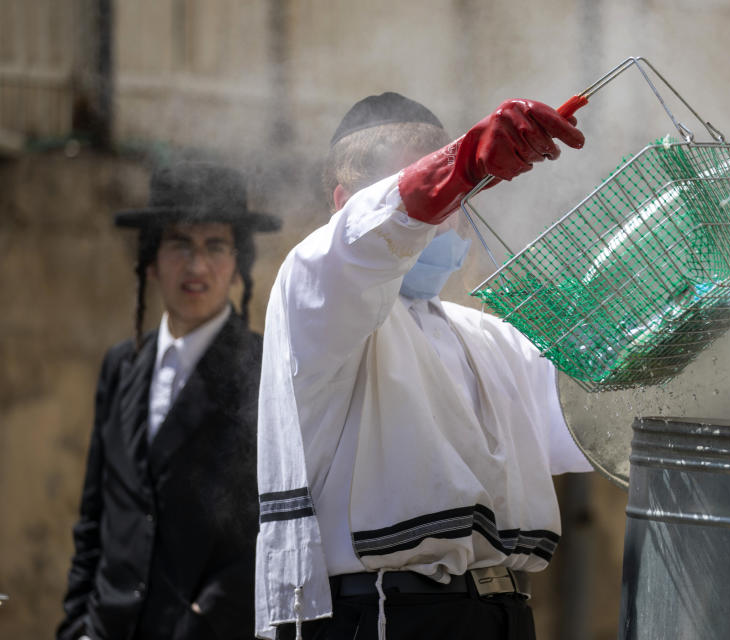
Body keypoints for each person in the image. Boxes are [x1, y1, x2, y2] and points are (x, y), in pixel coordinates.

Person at [255, 92, 593, 640]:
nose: (444, 216)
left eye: (460, 194)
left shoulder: (487, 335)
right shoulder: (312, 294)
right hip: (388, 615)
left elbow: (586, 415)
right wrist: (461, 164)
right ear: (345, 204)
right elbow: (363, 242)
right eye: (431, 187)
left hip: (504, 615)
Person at [57, 161, 282, 640]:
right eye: (180, 243)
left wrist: (208, 616)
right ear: (151, 260)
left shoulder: (265, 371)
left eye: (215, 246)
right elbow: (96, 516)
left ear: (238, 265)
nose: (197, 265)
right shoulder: (120, 366)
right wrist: (77, 623)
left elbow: (273, 523)